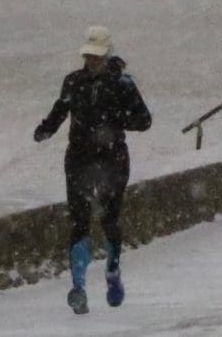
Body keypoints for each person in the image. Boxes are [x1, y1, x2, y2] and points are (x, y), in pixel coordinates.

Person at [34, 26, 151, 314]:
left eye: (97, 57)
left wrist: (115, 121)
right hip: (79, 159)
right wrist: (45, 129)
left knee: (110, 219)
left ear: (107, 54)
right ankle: (78, 287)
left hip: (113, 160)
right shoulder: (73, 82)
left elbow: (144, 120)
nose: (92, 62)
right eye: (88, 56)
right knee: (79, 221)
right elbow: (60, 110)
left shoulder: (123, 84)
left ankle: (112, 272)